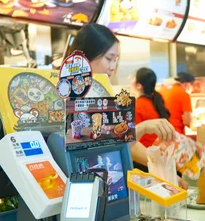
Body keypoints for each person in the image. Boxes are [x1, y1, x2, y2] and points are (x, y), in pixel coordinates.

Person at [68, 24, 177, 167]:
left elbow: (127, 144)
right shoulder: (69, 93)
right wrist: (142, 128)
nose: (113, 66)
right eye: (109, 58)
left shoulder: (102, 92)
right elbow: (97, 143)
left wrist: (162, 167)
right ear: (86, 55)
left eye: (115, 60)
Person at [131, 67, 171, 148]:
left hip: (144, 153)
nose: (131, 80)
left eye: (133, 77)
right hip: (159, 150)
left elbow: (132, 137)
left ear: (139, 86)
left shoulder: (137, 105)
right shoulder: (156, 101)